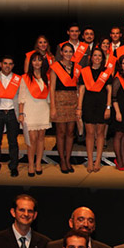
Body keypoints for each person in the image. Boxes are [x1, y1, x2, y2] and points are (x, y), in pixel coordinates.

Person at [77, 47, 112, 173]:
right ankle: (90, 161)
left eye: (99, 56)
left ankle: (98, 160)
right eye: (95, 55)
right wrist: (79, 108)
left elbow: (109, 90)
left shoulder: (106, 72)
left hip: (102, 104)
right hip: (88, 103)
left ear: (102, 59)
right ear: (91, 58)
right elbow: (81, 90)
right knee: (90, 133)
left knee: (100, 133)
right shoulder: (85, 71)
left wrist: (108, 107)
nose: (97, 58)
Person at [18, 53, 51, 176]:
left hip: (43, 110)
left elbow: (48, 97)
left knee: (41, 138)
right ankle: (30, 164)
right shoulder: (25, 77)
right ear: (30, 63)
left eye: (39, 60)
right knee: (31, 139)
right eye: (34, 60)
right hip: (30, 111)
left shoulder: (46, 77)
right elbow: (21, 97)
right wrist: (21, 113)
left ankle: (38, 163)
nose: (37, 63)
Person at [49, 43, 79, 174]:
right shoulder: (55, 67)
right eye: (65, 51)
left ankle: (68, 159)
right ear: (61, 52)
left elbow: (78, 86)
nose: (68, 54)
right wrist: (53, 107)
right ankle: (62, 160)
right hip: (59, 100)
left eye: (70, 51)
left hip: (73, 100)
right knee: (61, 132)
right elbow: (52, 88)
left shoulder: (77, 67)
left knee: (71, 132)